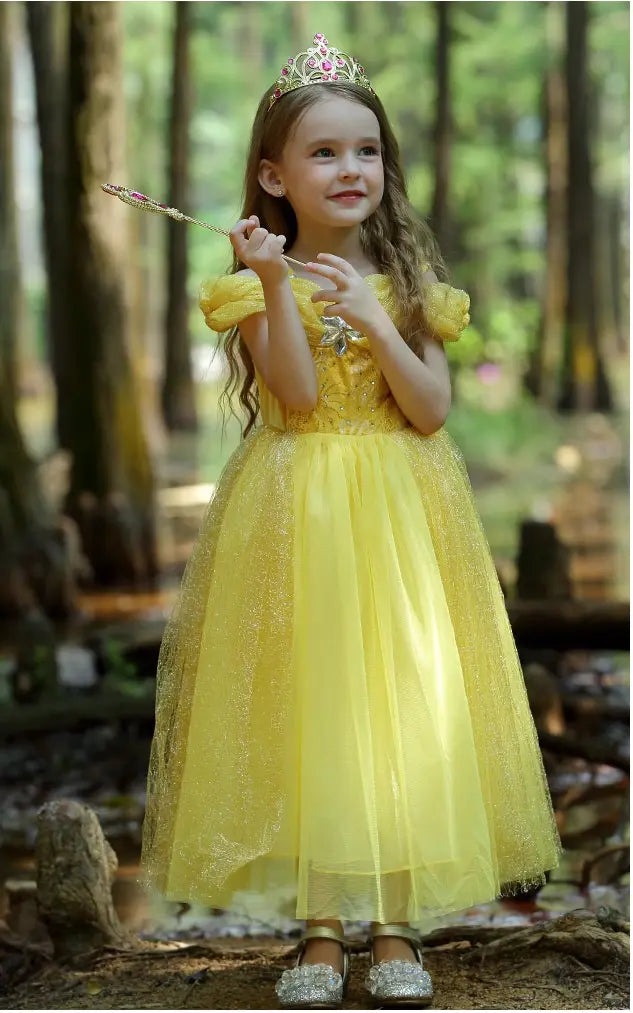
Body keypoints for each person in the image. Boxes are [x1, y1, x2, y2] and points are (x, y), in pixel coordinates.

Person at [140, 31, 562, 1009]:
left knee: (401, 699)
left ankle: (396, 922)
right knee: (315, 705)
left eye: (365, 151)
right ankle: (322, 930)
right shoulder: (258, 277)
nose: (349, 169)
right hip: (297, 511)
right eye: (324, 152)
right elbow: (288, 394)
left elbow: (430, 407)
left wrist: (375, 316)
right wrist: (280, 285)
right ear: (273, 174)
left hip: (405, 514)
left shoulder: (410, 275)